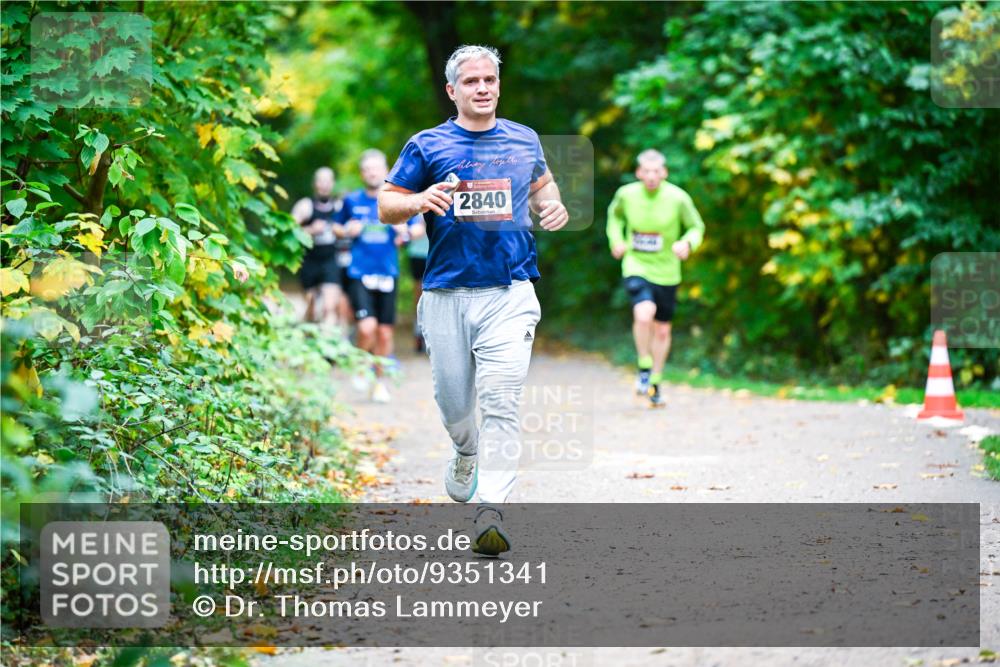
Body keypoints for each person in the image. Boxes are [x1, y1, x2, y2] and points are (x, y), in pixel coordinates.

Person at [378, 45, 568, 555]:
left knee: (501, 400)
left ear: (498, 85)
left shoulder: (524, 139)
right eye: (471, 82)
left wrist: (554, 208)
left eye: (489, 80)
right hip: (446, 294)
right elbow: (386, 204)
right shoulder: (428, 144)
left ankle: (491, 510)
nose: (482, 88)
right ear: (452, 90)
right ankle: (465, 451)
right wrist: (419, 201)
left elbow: (543, 188)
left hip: (510, 291)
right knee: (455, 403)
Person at [606, 149, 705, 408]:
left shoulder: (678, 198)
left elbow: (696, 226)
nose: (651, 176)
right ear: (638, 173)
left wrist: (687, 243)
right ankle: (644, 367)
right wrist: (616, 240)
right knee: (643, 313)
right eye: (646, 171)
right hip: (636, 265)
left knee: (662, 330)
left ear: (664, 173)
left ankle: (656, 382)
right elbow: (614, 219)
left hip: (668, 271)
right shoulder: (626, 195)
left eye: (656, 171)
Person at [336, 149, 424, 403]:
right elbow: (336, 227)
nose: (372, 172)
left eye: (377, 167)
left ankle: (378, 383)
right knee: (367, 327)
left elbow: (417, 228)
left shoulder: (398, 199)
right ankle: (361, 365)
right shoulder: (352, 201)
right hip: (359, 272)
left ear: (386, 170)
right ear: (362, 173)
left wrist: (404, 233)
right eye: (367, 169)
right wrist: (345, 230)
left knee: (385, 334)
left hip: (388, 272)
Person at [291, 167, 347, 329]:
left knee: (329, 307)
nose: (324, 185)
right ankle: (309, 338)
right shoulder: (305, 206)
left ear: (333, 183)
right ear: (315, 184)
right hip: (309, 260)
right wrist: (310, 230)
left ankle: (328, 344)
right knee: (313, 308)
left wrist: (342, 231)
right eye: (321, 181)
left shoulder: (339, 206)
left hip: (330, 259)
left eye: (328, 181)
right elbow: (288, 231)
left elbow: (350, 228)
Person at [406, 213, 431, 353]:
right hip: (418, 253)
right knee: (419, 295)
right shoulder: (417, 198)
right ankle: (419, 333)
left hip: (439, 252)